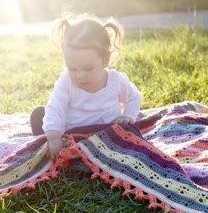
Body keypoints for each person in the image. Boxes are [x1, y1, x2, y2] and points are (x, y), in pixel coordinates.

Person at [30, 14, 141, 159]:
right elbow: (55, 107)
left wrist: (128, 115)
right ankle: (52, 149)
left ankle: (104, 151)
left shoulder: (116, 80)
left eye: (88, 69)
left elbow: (134, 97)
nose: (80, 76)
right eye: (72, 69)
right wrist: (53, 137)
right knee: (39, 114)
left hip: (106, 133)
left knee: (129, 128)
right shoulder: (66, 81)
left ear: (105, 60)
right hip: (70, 134)